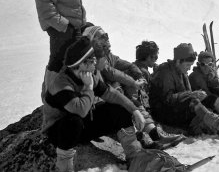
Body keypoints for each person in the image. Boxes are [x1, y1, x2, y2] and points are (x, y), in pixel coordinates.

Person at [41, 36, 145, 172]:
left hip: (83, 127)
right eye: (92, 60)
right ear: (82, 64)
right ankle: (64, 166)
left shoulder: (88, 75)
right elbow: (80, 110)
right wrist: (89, 87)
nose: (95, 64)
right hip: (59, 132)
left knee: (119, 109)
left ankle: (134, 156)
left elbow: (111, 94)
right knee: (73, 121)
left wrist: (134, 110)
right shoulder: (61, 83)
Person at [82, 25, 184, 149]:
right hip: (97, 105)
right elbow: (111, 73)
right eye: (103, 38)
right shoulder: (92, 60)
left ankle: (151, 134)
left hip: (108, 96)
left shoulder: (109, 56)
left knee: (128, 97)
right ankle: (144, 137)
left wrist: (137, 75)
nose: (107, 41)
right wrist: (133, 82)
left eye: (106, 37)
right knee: (124, 99)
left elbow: (127, 65)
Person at [33, 0, 86, 100]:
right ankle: (50, 98)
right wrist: (65, 26)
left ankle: (67, 96)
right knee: (58, 63)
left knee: (71, 63)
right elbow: (46, 9)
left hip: (72, 28)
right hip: (62, 31)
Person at [149, 43, 219, 136]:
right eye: (187, 65)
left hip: (178, 109)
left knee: (210, 99)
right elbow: (167, 99)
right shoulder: (165, 73)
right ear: (178, 62)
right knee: (192, 101)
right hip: (165, 114)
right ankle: (218, 124)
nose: (189, 68)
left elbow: (187, 94)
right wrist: (191, 95)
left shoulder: (181, 72)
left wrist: (193, 94)